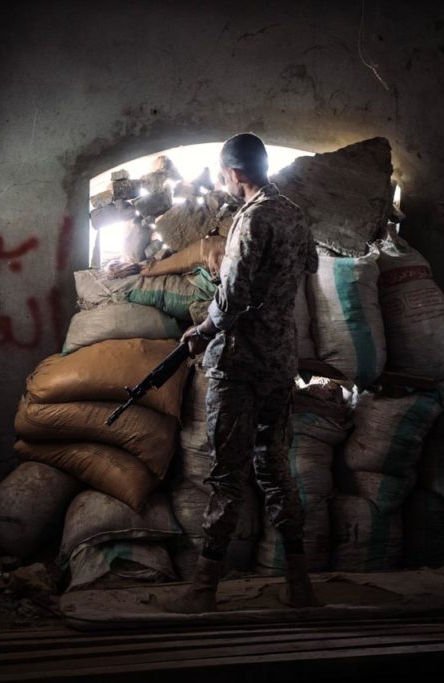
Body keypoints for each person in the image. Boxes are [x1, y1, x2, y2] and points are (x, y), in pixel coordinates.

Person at [165, 133, 320, 613]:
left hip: (239, 365)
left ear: (234, 173)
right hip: (279, 362)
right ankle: (299, 584)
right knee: (275, 468)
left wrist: (203, 330)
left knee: (226, 476)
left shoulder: (251, 221)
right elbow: (309, 265)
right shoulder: (294, 213)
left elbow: (231, 300)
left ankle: (204, 588)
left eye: (222, 175)